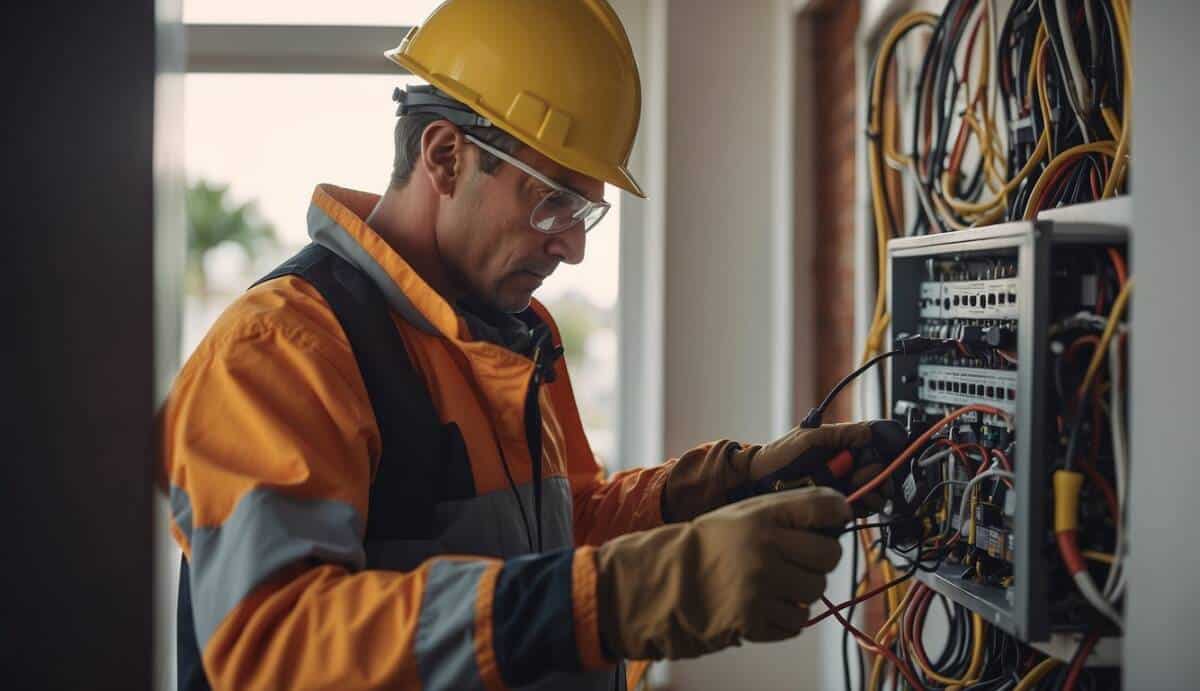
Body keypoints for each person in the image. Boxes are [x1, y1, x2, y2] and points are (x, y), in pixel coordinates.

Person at [161, 2, 893, 689]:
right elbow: (273, 646)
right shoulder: (282, 349)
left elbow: (559, 529)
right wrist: (616, 597)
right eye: (554, 201)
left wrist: (730, 485)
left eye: (584, 213)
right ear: (444, 156)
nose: (572, 246)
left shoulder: (513, 333)